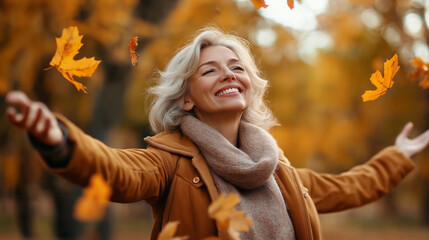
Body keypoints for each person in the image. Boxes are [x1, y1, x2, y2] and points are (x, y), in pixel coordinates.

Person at [5, 27, 429, 240]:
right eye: (209, 70)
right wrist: (60, 141)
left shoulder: (274, 167)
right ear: (186, 97)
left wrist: (398, 156)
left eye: (236, 66)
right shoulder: (169, 162)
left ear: (249, 84)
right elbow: (118, 171)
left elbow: (346, 188)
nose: (228, 73)